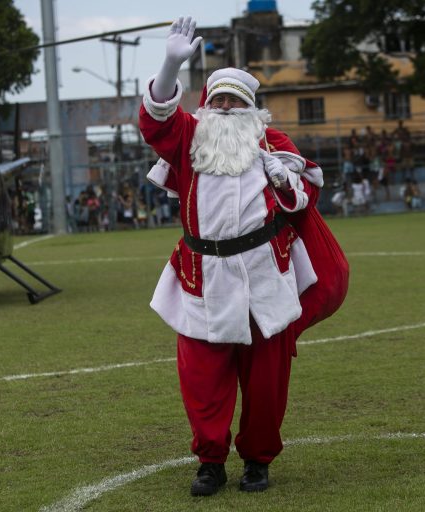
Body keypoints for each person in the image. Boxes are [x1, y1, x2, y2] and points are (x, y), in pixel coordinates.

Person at [139, 16, 347, 497]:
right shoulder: (189, 138)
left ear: (253, 108)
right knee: (203, 380)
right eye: (219, 99)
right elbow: (155, 122)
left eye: (237, 100)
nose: (227, 108)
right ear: (205, 105)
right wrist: (170, 64)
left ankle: (257, 459)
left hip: (264, 275)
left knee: (267, 382)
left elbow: (304, 204)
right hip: (203, 275)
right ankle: (210, 462)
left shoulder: (273, 144)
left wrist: (282, 178)